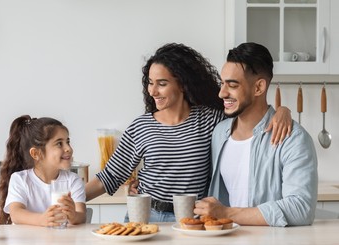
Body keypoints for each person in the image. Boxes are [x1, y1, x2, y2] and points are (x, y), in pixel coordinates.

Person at [85, 43, 292, 223]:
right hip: (145, 215)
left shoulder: (211, 120)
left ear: (183, 84)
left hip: (192, 219)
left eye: (162, 84)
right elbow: (109, 177)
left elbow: (249, 116)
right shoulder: (141, 127)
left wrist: (283, 111)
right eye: (150, 82)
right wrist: (66, 200)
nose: (152, 91)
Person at [194, 42, 318, 227]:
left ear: (259, 87)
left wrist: (226, 213)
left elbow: (301, 208)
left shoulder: (293, 138)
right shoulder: (219, 133)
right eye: (222, 83)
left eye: (232, 85)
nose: (221, 93)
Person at [0, 115, 86, 226]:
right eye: (59, 143)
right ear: (36, 154)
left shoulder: (73, 180)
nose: (68, 148)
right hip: (27, 242)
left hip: (62, 242)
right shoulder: (20, 179)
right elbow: (16, 214)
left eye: (67, 141)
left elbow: (81, 216)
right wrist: (42, 220)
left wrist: (74, 216)